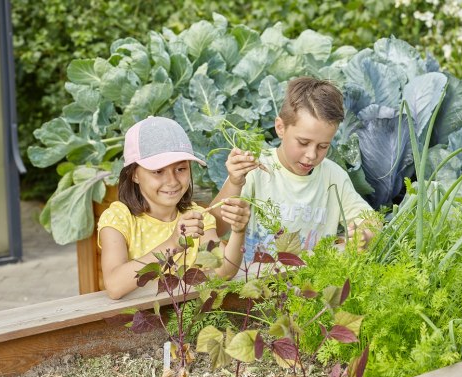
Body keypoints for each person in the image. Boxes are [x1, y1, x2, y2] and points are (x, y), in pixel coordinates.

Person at [209, 77, 377, 261]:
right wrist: (235, 182)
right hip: (257, 282)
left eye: (323, 146)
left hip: (311, 283)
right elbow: (215, 228)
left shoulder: (334, 176)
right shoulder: (256, 169)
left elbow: (371, 221)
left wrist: (365, 235)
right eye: (303, 143)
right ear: (280, 127)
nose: (312, 155)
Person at [98, 116, 250, 300]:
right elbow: (114, 286)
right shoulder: (119, 218)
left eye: (181, 169)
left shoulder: (196, 217)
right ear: (134, 175)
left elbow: (223, 271)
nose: (172, 181)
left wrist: (239, 230)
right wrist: (173, 244)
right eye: (158, 171)